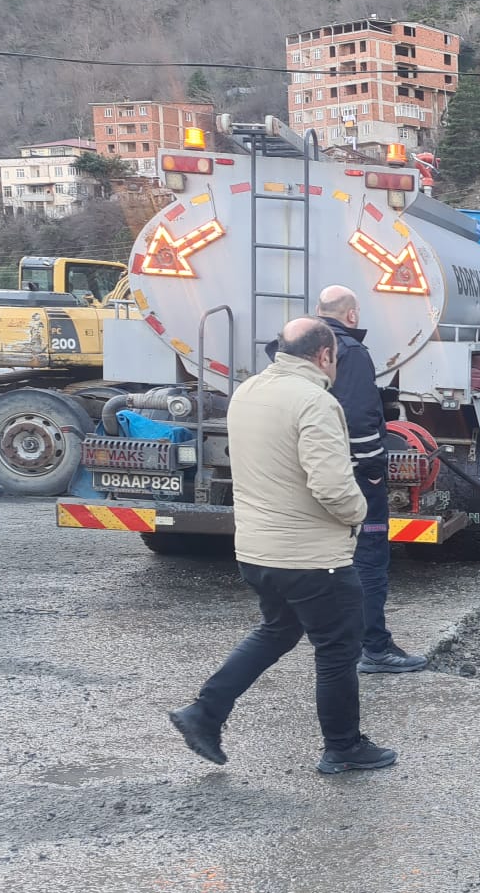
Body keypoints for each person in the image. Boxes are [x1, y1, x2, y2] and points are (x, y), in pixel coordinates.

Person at [169, 317, 399, 774]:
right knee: (338, 651)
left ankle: (203, 714)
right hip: (312, 559)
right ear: (325, 355)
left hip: (257, 553)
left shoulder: (248, 392)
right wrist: (360, 513)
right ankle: (343, 747)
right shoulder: (315, 401)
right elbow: (332, 486)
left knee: (277, 632)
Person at [316, 286, 426, 675]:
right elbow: (360, 418)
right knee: (369, 556)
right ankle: (374, 648)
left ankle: (333, 640)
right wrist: (375, 468)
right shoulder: (352, 353)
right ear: (351, 316)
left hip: (311, 473)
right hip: (355, 476)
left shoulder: (294, 348)